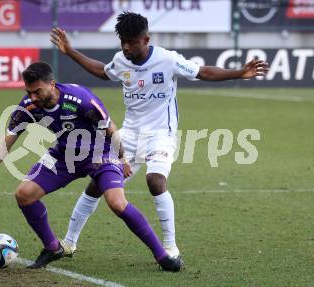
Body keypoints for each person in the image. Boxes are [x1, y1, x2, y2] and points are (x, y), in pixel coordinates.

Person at [50, 12, 269, 264]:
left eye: (131, 41)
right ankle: (69, 242)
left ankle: (170, 247)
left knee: (155, 180)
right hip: (129, 135)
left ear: (146, 39)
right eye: (123, 41)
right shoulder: (121, 60)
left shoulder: (167, 59)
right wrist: (70, 51)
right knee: (97, 183)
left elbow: (203, 72)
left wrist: (239, 73)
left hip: (160, 135)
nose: (126, 46)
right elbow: (103, 71)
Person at [0, 61, 182, 271]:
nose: (32, 97)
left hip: (100, 154)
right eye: (28, 91)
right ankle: (53, 248)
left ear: (52, 84)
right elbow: (5, 143)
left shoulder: (80, 99)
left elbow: (110, 128)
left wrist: (122, 158)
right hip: (63, 155)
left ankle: (162, 256)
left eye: (37, 91)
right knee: (24, 194)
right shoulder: (28, 106)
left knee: (116, 203)